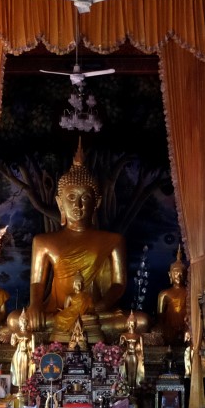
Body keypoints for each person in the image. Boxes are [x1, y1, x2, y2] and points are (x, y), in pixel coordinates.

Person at [20, 142, 140, 336]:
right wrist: (34, 306)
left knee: (140, 321)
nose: (78, 204)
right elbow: (37, 282)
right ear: (60, 203)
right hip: (58, 312)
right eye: (71, 197)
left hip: (96, 314)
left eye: (85, 198)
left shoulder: (113, 240)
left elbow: (119, 284)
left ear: (97, 203)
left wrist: (99, 307)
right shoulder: (43, 242)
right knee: (16, 320)